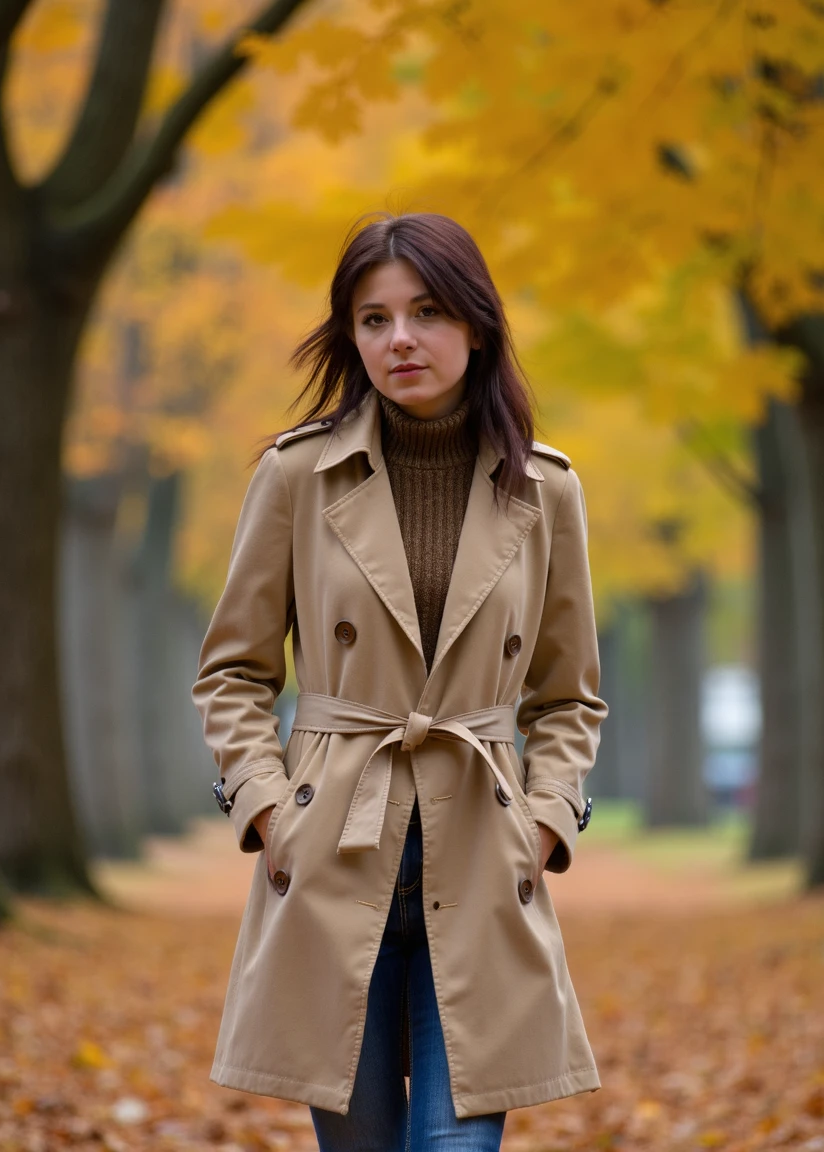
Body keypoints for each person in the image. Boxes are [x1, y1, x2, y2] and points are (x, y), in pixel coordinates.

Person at [192, 212, 608, 1152]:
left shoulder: (546, 490)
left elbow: (569, 693)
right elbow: (232, 671)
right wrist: (266, 810)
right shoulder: (296, 474)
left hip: (483, 847)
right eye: (372, 319)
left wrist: (544, 820)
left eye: (425, 311)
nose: (400, 339)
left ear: (477, 324)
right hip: (331, 842)